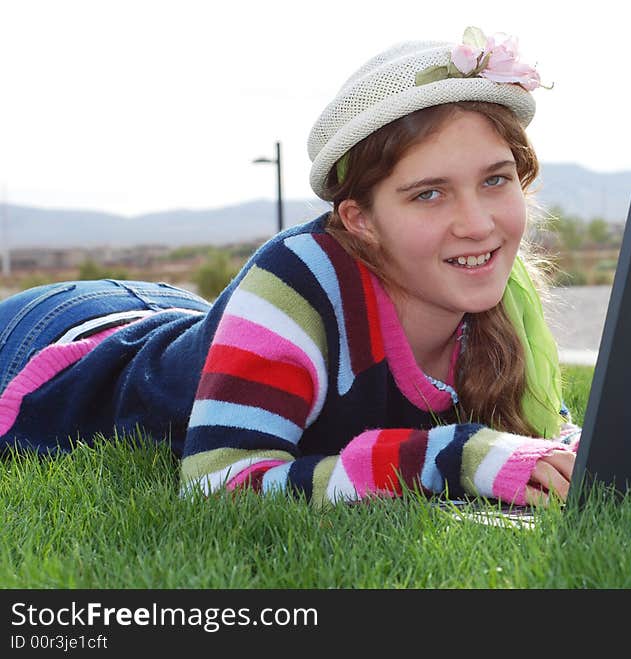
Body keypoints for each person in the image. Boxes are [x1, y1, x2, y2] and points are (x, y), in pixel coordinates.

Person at [0, 27, 581, 507]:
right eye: (429, 194)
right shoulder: (301, 276)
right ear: (360, 220)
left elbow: (548, 437)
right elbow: (217, 487)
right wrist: (447, 456)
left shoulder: (502, 286)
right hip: (58, 337)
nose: (478, 223)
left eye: (495, 179)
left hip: (188, 319)